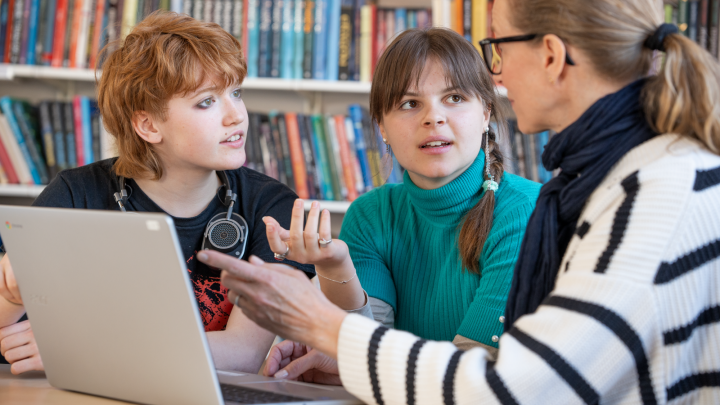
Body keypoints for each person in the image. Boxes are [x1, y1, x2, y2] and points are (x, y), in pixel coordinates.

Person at [201, 0, 720, 402]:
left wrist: (322, 324)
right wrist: (347, 349)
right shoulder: (624, 182)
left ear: (550, 56)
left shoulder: (648, 199)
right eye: (409, 103)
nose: (499, 76)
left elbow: (513, 390)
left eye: (499, 51)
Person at [0, 11, 313, 375]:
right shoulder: (75, 194)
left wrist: (84, 350)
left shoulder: (272, 206)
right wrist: (10, 296)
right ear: (148, 124)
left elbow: (241, 353)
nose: (237, 116)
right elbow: (10, 330)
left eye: (235, 92)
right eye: (207, 101)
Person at [259, 27, 540, 380]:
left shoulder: (526, 211)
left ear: (485, 113)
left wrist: (354, 363)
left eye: (454, 98)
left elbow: (469, 376)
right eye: (410, 104)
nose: (433, 118)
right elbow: (367, 353)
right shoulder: (371, 214)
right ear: (382, 128)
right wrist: (336, 266)